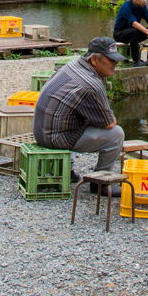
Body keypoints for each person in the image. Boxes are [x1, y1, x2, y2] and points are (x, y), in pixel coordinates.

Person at [33, 36, 126, 194]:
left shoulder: (74, 64)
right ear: (95, 60)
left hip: (40, 131)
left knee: (79, 117)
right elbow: (109, 123)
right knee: (116, 134)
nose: (115, 64)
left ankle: (68, 171)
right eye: (111, 60)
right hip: (55, 138)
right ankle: (101, 184)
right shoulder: (91, 84)